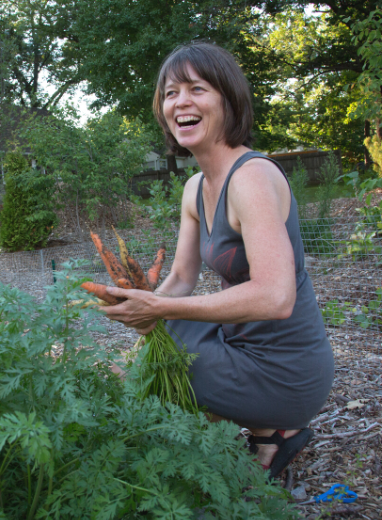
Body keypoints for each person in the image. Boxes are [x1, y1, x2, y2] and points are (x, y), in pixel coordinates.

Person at [103, 42, 334, 479]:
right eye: (170, 93)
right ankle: (263, 432)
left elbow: (276, 296)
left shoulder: (252, 177)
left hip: (286, 372)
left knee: (162, 360)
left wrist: (161, 310)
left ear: (228, 100)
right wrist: (135, 304)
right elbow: (180, 279)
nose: (181, 102)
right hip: (240, 351)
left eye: (197, 89)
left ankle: (272, 421)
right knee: (162, 338)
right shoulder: (194, 188)